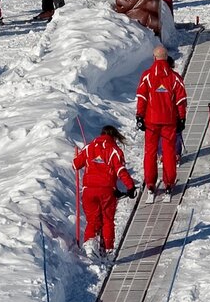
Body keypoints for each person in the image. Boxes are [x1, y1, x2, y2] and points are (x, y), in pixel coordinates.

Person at [73, 125, 136, 259]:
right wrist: (130, 186)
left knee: (92, 220)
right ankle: (108, 250)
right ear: (114, 137)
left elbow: (76, 165)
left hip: (88, 190)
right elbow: (120, 171)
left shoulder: (89, 147)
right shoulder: (114, 150)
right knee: (107, 220)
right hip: (106, 190)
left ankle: (90, 245)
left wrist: (78, 155)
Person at [135, 45, 188, 204]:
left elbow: (141, 97)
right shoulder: (175, 77)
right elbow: (181, 101)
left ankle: (150, 183)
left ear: (154, 57)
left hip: (151, 122)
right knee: (169, 152)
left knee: (150, 152)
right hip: (169, 122)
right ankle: (169, 182)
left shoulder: (147, 76)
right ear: (166, 58)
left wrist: (139, 116)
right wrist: (182, 118)